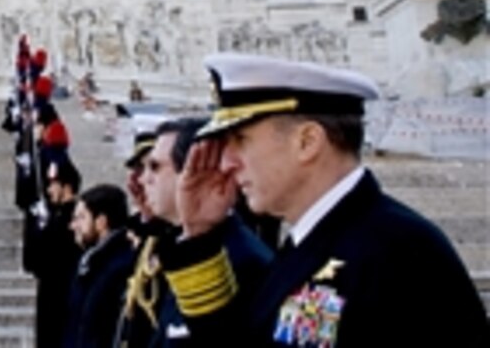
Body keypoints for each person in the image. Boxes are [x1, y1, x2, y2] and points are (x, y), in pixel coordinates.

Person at [162, 53, 490, 347]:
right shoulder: (312, 242)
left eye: (241, 140)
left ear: (307, 141)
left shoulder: (399, 249)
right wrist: (200, 237)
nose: (226, 163)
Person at [121, 117, 270, 347]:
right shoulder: (183, 245)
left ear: (191, 171)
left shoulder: (240, 258)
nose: (143, 179)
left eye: (155, 167)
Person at [63, 184, 137, 348]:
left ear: (101, 222)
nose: (73, 226)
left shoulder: (121, 268)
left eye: (81, 218)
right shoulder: (89, 264)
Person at [32, 158, 83, 348]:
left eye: (54, 184)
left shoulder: (73, 219)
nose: (49, 190)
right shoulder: (54, 215)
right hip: (49, 295)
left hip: (64, 298)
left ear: (67, 187)